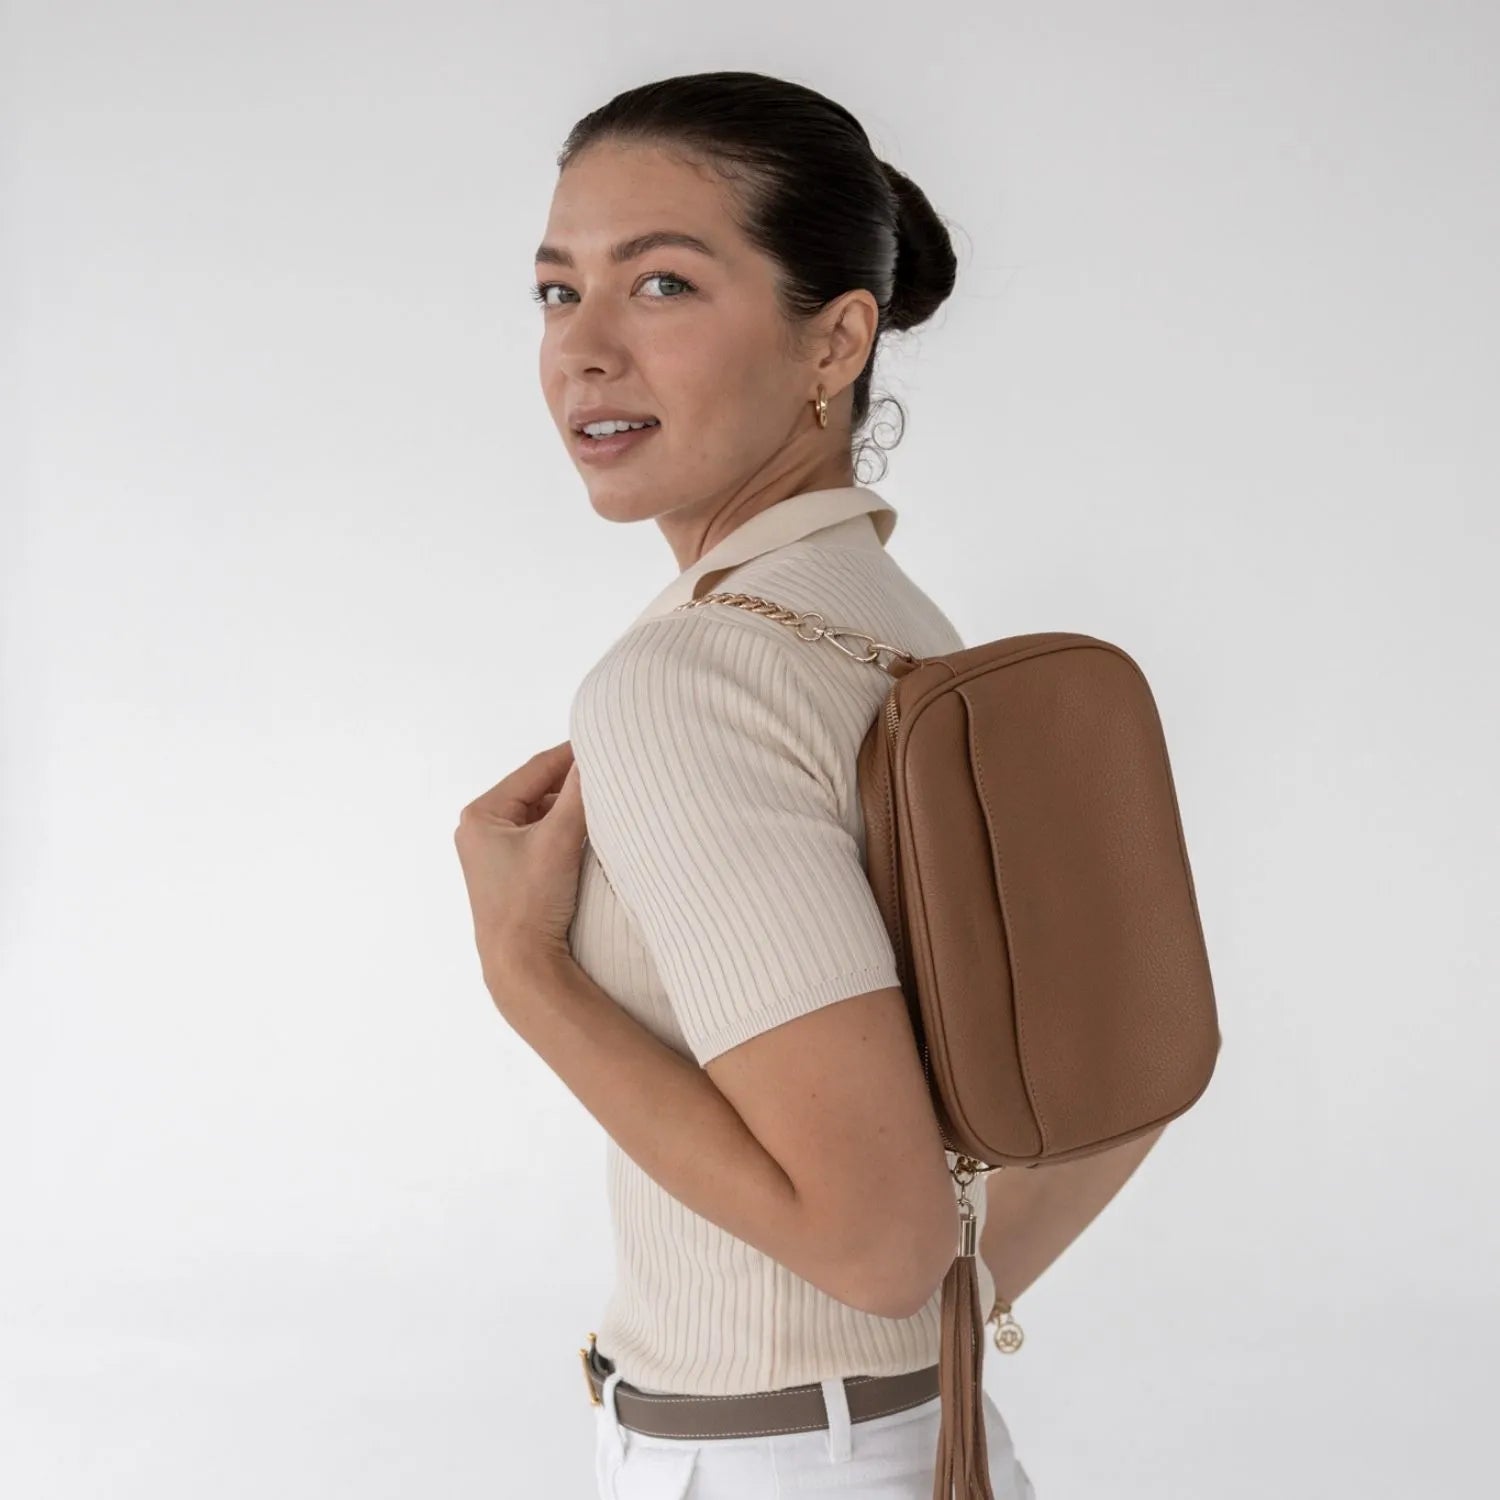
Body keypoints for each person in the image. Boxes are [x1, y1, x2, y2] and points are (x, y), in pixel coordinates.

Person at [455, 70, 1037, 1499]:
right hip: (927, 1436)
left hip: (777, 1465)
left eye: (659, 285)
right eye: (554, 291)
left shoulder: (692, 680)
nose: (582, 351)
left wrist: (527, 970)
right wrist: (919, 1321)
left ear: (836, 339)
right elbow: (1124, 1079)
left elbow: (870, 1238)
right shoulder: (905, 629)